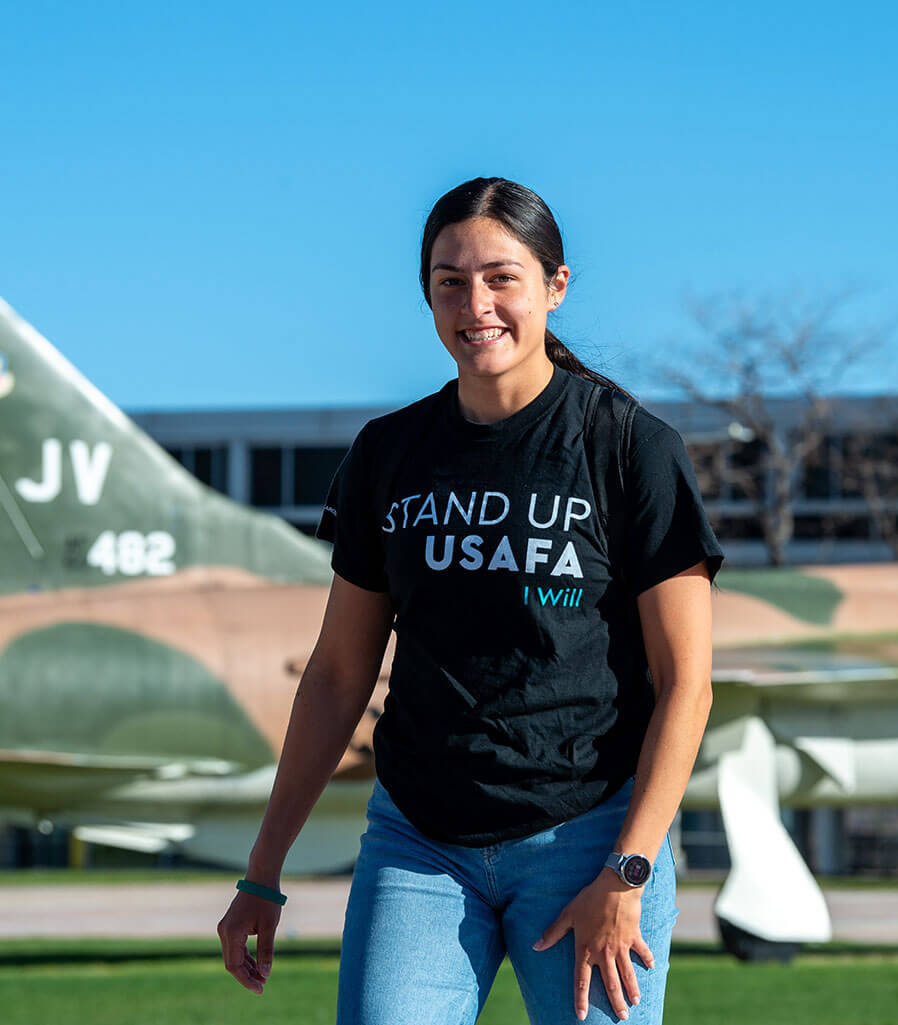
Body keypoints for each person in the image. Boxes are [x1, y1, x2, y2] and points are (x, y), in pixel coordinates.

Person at [216, 177, 723, 1025]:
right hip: (419, 842)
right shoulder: (389, 454)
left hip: (587, 839)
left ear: (555, 286)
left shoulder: (629, 447)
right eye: (450, 281)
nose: (475, 303)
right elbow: (339, 674)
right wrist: (263, 870)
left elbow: (687, 684)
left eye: (501, 277)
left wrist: (627, 873)